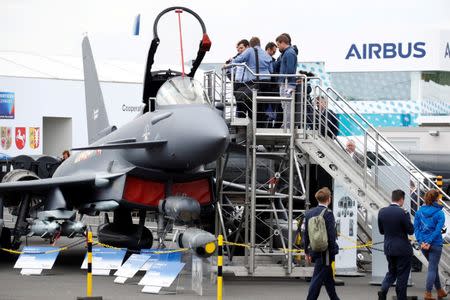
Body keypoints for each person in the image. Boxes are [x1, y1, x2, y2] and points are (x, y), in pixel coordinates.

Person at [377, 190, 414, 300]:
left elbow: (381, 231)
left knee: (392, 271)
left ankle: (383, 289)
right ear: (401, 199)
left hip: (389, 247)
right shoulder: (403, 213)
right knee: (402, 275)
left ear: (392, 198)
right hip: (403, 249)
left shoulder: (382, 212)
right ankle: (401, 297)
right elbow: (410, 230)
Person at [304, 187, 340, 300]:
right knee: (317, 278)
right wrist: (334, 250)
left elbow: (306, 234)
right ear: (329, 199)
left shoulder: (309, 213)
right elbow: (331, 235)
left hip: (314, 249)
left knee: (328, 278)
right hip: (326, 252)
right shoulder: (328, 214)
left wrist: (306, 251)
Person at [414, 189, 447, 300]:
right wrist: (428, 241)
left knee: (433, 267)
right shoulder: (440, 213)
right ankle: (428, 293)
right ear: (437, 198)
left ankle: (439, 291)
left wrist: (421, 241)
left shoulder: (419, 212)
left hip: (424, 245)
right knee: (432, 268)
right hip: (435, 243)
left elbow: (416, 228)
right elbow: (438, 231)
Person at [230, 37, 273, 121]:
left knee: (251, 103)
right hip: (267, 81)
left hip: (255, 81)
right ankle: (260, 124)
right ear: (259, 44)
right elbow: (271, 70)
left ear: (250, 45)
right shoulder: (266, 53)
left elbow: (239, 59)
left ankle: (251, 124)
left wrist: (231, 62)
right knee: (261, 105)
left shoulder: (249, 50)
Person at [273, 33, 298, 128]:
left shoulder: (289, 53)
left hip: (288, 84)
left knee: (287, 105)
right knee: (285, 105)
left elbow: (290, 70)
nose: (278, 47)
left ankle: (287, 126)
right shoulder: (287, 53)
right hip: (286, 83)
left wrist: (283, 78)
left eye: (278, 45)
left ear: (283, 43)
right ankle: (286, 124)